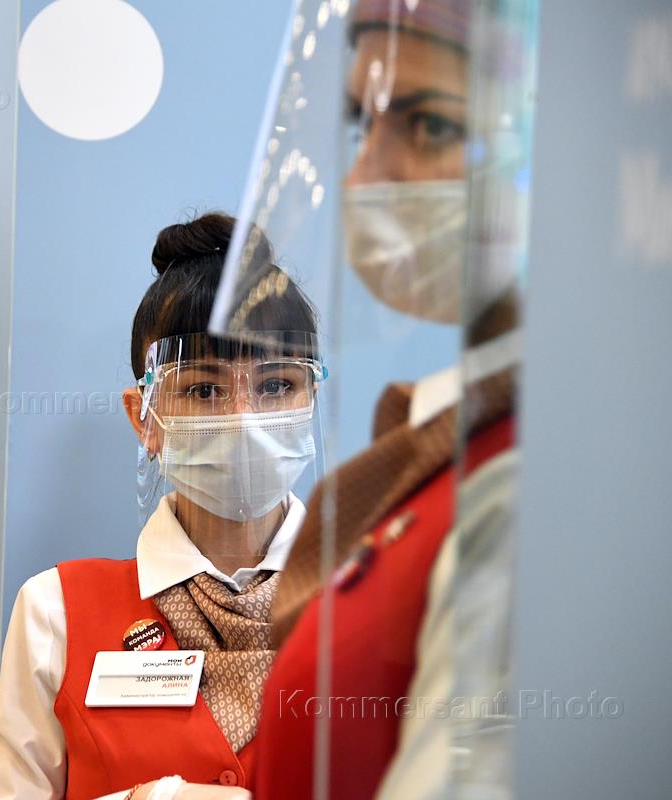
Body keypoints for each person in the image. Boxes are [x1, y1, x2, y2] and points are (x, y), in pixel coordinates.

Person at [235, 1, 529, 797]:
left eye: (431, 125)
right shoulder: (444, 437)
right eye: (362, 123)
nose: (364, 176)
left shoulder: (528, 477)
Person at [0, 213, 327, 800]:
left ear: (311, 398)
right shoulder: (56, 615)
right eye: (204, 389)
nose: (243, 417)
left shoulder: (378, 597)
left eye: (275, 385)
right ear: (144, 418)